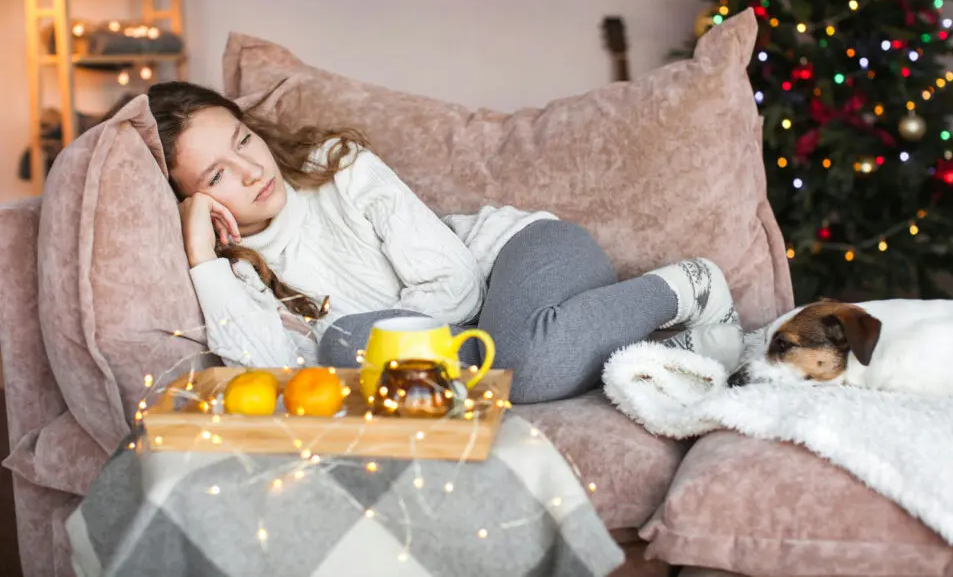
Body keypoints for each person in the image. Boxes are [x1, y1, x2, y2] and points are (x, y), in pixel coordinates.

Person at [150, 81, 742, 404]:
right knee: (345, 344)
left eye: (243, 140)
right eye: (216, 176)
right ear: (191, 200)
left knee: (513, 367)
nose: (251, 170)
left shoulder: (336, 166)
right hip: (489, 337)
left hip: (522, 253)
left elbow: (457, 286)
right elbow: (272, 373)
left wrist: (406, 353)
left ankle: (689, 285)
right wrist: (203, 260)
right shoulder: (240, 277)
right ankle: (676, 348)